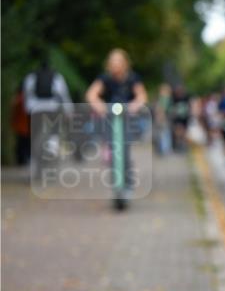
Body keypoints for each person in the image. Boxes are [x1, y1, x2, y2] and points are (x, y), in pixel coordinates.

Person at [84, 48, 148, 195]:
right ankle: (116, 184)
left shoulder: (132, 78)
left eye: (118, 61)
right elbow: (91, 94)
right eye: (112, 62)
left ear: (125, 63)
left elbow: (142, 96)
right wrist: (100, 106)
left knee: (125, 150)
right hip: (110, 118)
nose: (115, 64)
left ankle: (128, 183)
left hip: (127, 119)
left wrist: (134, 106)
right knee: (113, 151)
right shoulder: (105, 78)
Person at [24, 53, 73, 178]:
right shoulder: (56, 76)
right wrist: (69, 110)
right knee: (54, 128)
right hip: (52, 108)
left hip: (35, 109)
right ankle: (53, 144)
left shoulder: (31, 76)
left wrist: (27, 110)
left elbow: (27, 94)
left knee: (33, 137)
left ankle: (32, 162)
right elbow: (64, 94)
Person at [170, 83, 192, 152]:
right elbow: (172, 107)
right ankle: (178, 144)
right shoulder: (174, 98)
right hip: (177, 117)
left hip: (185, 117)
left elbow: (189, 106)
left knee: (184, 131)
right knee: (178, 130)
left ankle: (184, 145)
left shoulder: (186, 97)